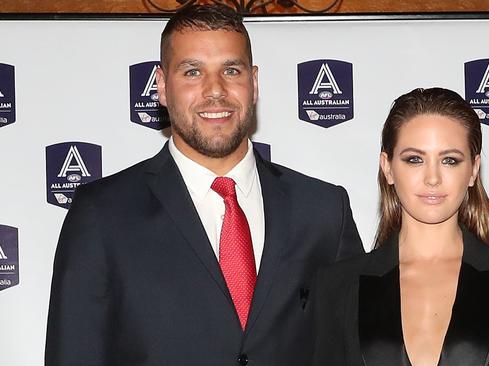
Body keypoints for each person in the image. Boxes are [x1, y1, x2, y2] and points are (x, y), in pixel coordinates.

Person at [45, 4, 363, 366]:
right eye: (193, 72)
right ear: (162, 87)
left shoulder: (323, 211)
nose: (216, 91)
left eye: (231, 70)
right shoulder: (101, 215)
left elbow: (354, 351)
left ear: (254, 82)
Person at [312, 88, 489, 366]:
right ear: (388, 167)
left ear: (473, 170)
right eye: (414, 159)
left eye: (449, 160)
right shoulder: (339, 285)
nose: (432, 178)